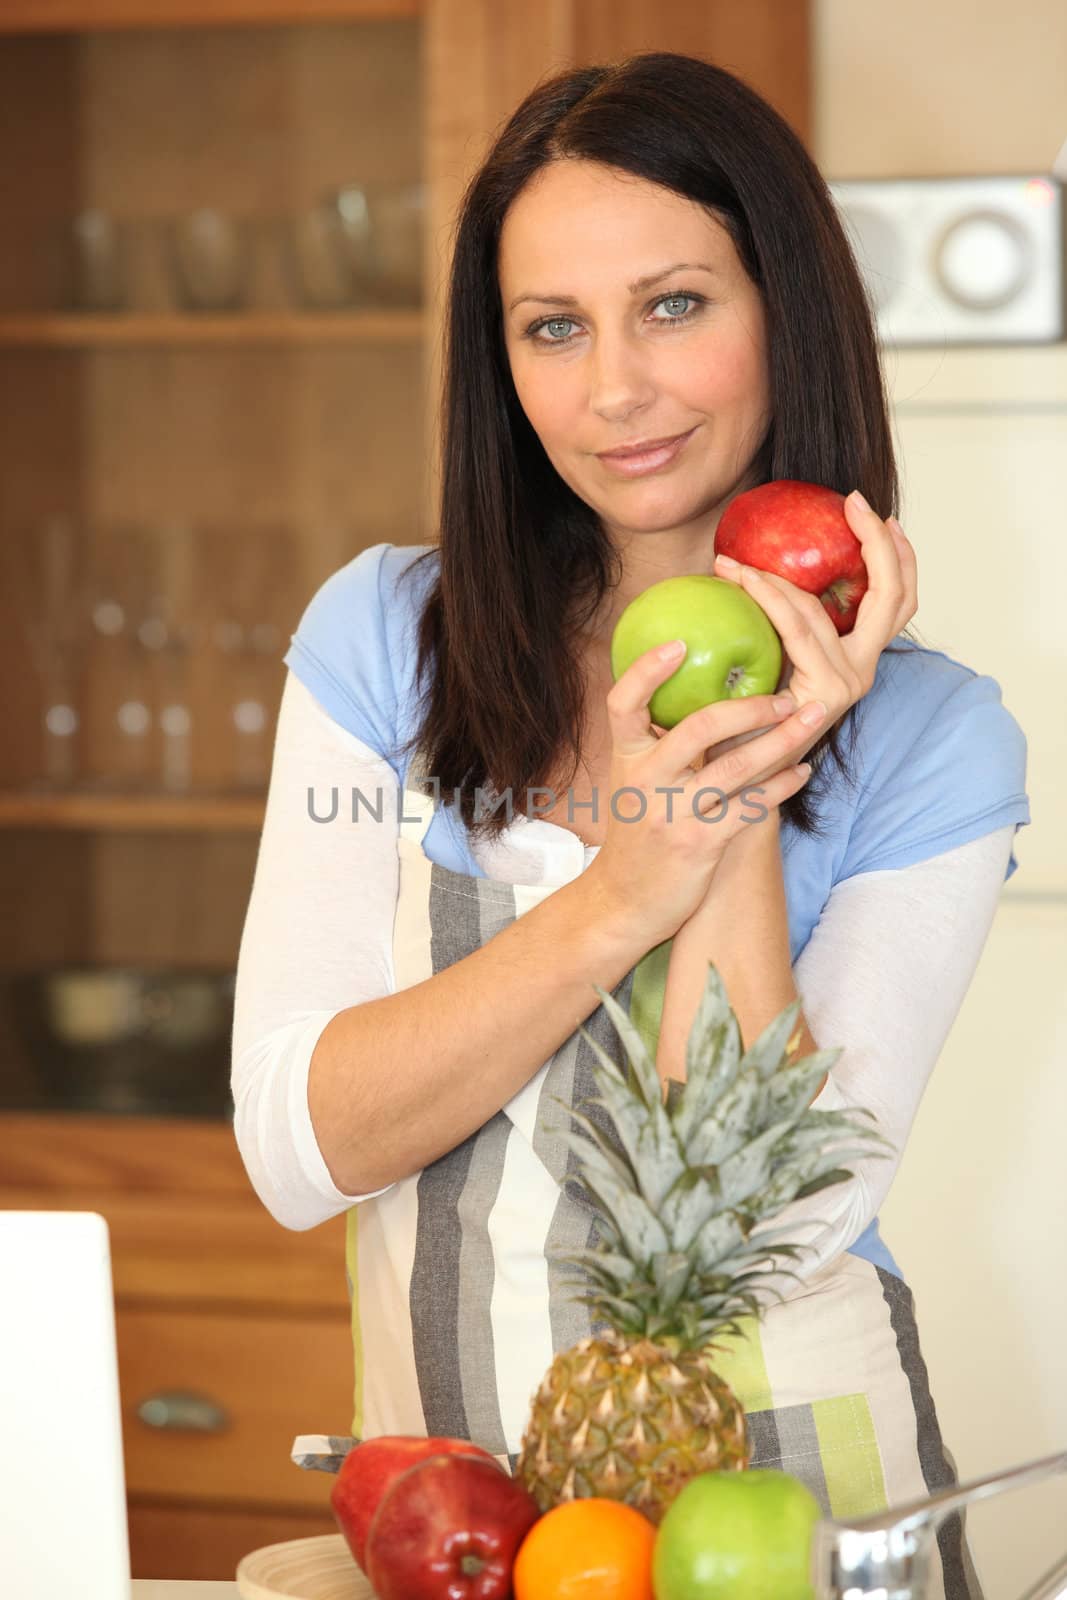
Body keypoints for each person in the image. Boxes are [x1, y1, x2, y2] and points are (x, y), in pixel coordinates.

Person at [232, 53, 1029, 1599]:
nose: (614, 390)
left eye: (674, 305)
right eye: (553, 327)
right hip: (451, 1519)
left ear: (784, 307)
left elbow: (778, 1235)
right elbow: (300, 1146)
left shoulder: (935, 737)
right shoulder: (386, 646)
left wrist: (735, 794)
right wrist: (620, 891)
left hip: (791, 1521)